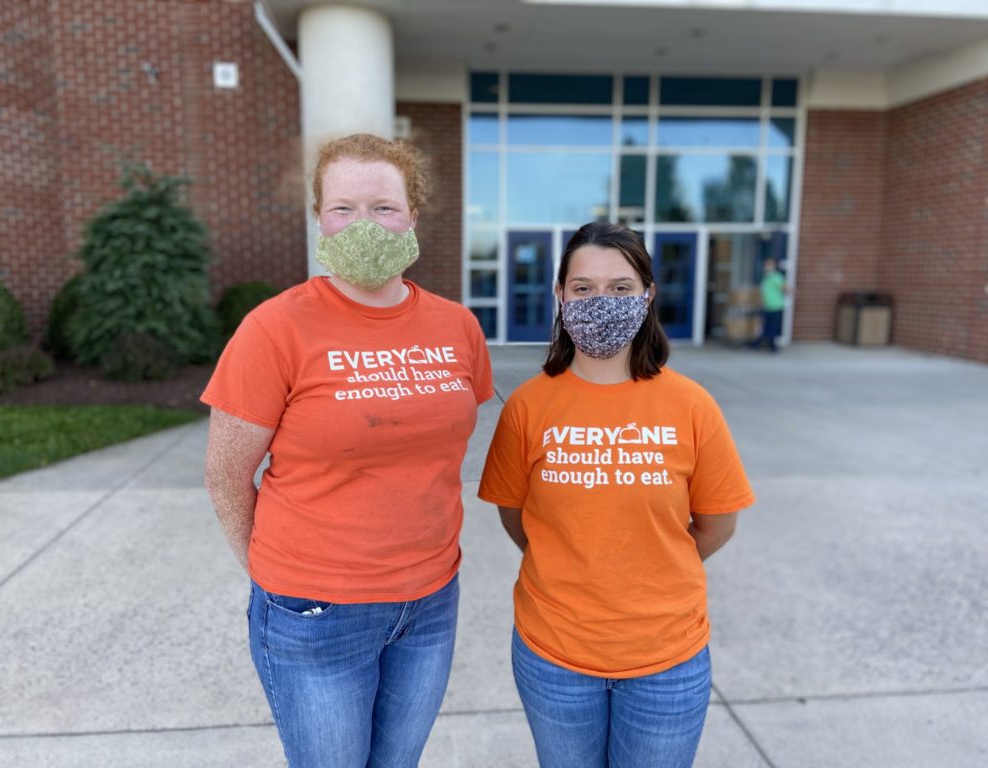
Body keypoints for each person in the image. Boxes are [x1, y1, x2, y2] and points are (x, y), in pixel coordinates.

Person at [202, 133, 494, 768]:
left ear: (413, 217)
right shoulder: (274, 328)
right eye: (343, 208)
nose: (364, 222)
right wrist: (273, 578)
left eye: (384, 207)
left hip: (431, 600)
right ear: (319, 219)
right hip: (316, 609)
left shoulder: (458, 327)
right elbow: (226, 474)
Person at [478, 222, 754, 768]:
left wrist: (652, 562)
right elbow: (516, 514)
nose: (600, 301)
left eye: (621, 288)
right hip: (554, 654)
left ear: (647, 295)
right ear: (559, 296)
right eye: (582, 288)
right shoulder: (528, 407)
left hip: (667, 659)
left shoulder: (692, 406)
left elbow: (718, 524)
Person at [750, 257, 787, 351]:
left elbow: (784, 288)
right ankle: (765, 344)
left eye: (769, 264)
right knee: (765, 326)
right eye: (766, 264)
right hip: (766, 305)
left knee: (771, 326)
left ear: (774, 265)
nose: (767, 266)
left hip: (775, 306)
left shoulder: (776, 277)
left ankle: (770, 346)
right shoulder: (766, 277)